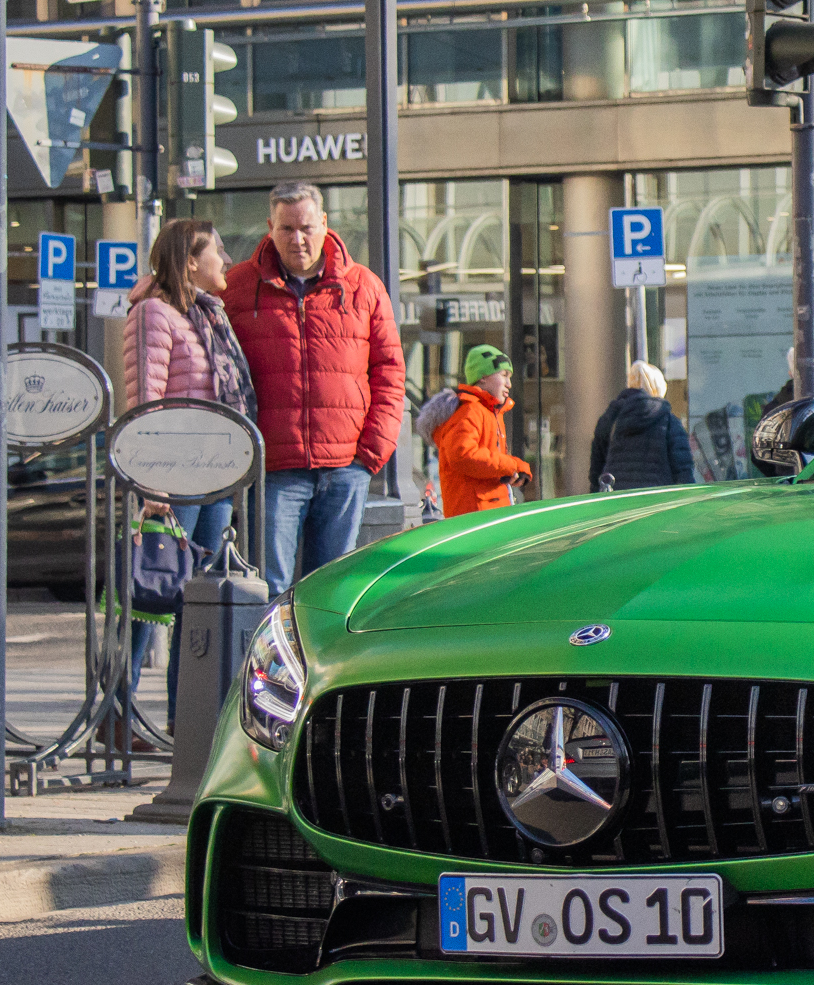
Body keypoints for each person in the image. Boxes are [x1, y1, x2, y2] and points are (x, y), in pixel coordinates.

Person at [224, 182, 406, 591]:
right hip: (273, 468)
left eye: (306, 227)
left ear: (324, 223)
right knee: (270, 587)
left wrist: (372, 452)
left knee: (331, 592)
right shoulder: (237, 286)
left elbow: (390, 371)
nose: (298, 239)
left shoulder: (363, 286)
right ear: (270, 227)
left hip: (346, 466)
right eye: (286, 229)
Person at [121, 217, 255, 716]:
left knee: (198, 601)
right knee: (149, 600)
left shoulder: (208, 316)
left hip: (215, 478)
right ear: (190, 261)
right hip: (174, 479)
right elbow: (144, 400)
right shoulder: (153, 313)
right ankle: (120, 713)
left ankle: (186, 719)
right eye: (217, 250)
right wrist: (150, 481)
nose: (226, 259)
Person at [435, 346, 534, 518]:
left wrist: (514, 469)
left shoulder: (489, 412)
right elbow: (463, 455)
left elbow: (489, 463)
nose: (509, 384)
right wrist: (510, 466)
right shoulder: (470, 410)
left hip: (486, 513)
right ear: (482, 377)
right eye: (504, 375)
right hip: (475, 516)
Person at [590, 361, 694, 492]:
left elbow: (596, 471)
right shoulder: (669, 421)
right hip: (656, 501)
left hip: (615, 500)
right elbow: (683, 470)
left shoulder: (610, 418)